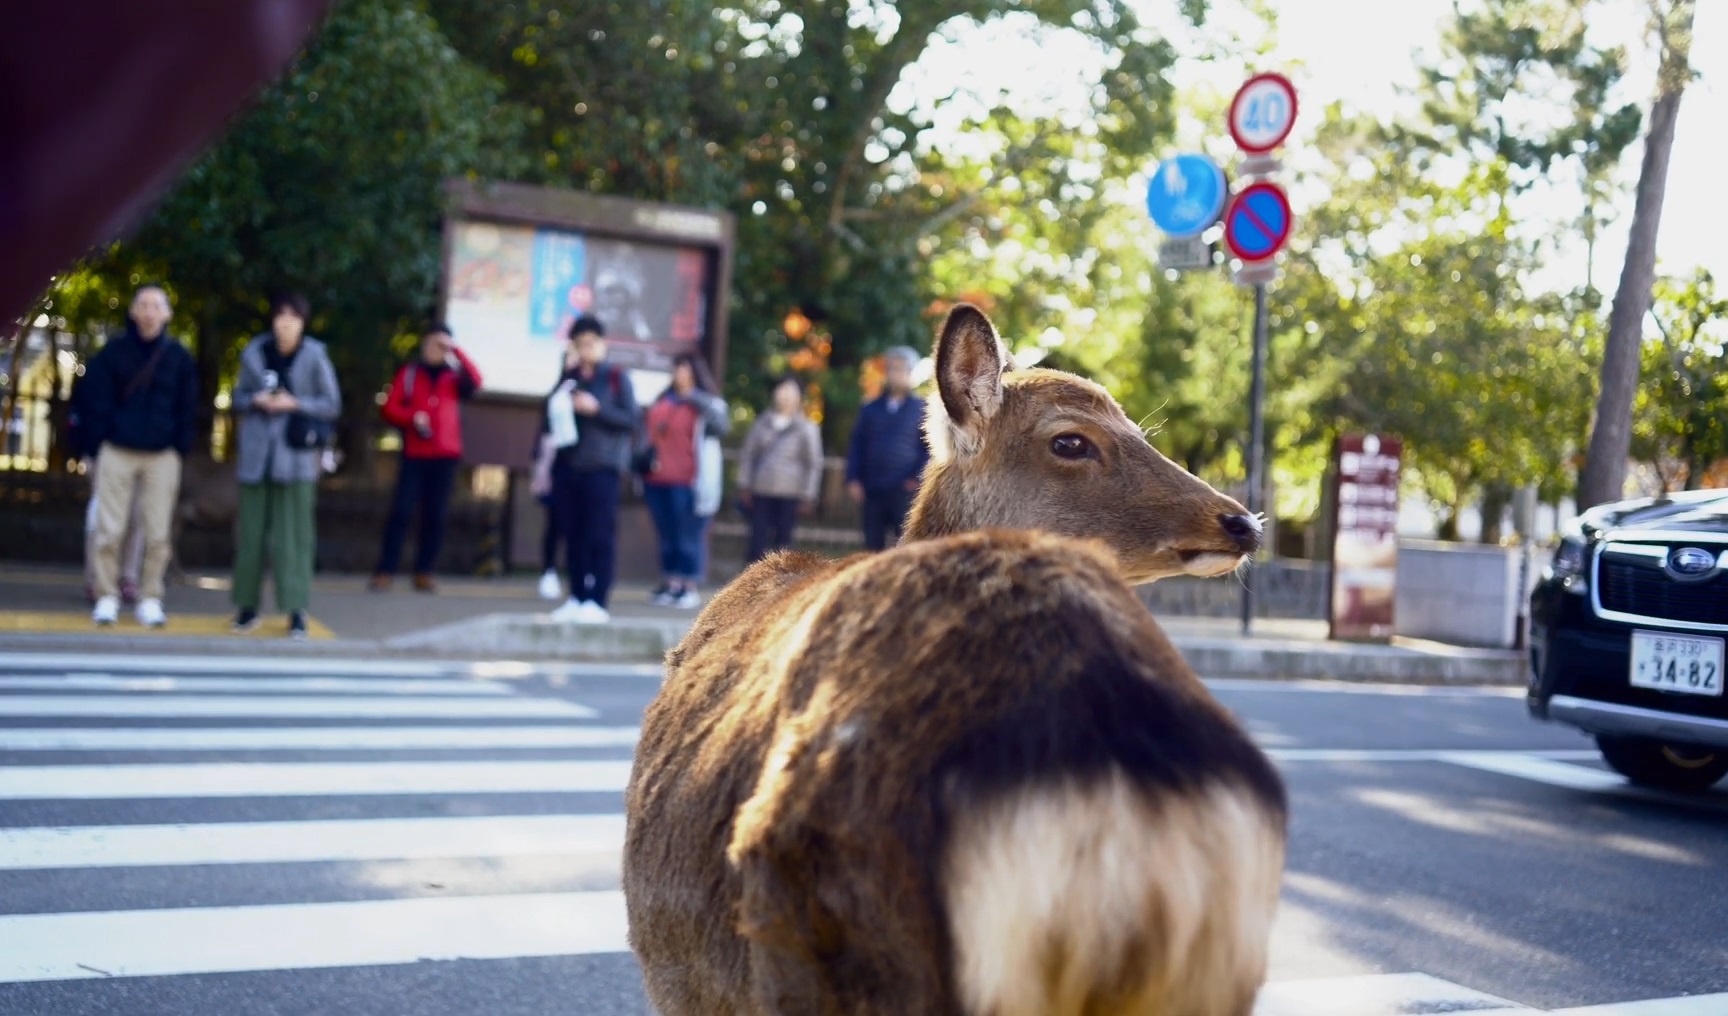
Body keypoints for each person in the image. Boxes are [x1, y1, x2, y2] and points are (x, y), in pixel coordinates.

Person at [78, 284, 199, 627]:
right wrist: (96, 444)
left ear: (167, 314)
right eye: (143, 305)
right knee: (108, 528)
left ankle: (150, 596)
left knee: (157, 531)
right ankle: (106, 595)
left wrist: (179, 446)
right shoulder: (113, 353)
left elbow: (188, 407)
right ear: (133, 311)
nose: (149, 312)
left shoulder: (179, 358)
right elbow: (95, 401)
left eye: (156, 305)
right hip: (117, 449)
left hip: (162, 454)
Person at [229, 293, 341, 639]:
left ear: (303, 322)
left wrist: (295, 403)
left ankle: (296, 609)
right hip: (256, 457)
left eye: (293, 317)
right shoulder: (254, 353)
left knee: (294, 538)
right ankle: (247, 607)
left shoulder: (315, 355)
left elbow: (331, 403)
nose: (285, 322)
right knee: (250, 535)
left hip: (296, 458)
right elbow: (237, 397)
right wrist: (255, 400)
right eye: (280, 315)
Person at [531, 316, 639, 623]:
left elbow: (631, 419)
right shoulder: (570, 378)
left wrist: (597, 409)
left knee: (600, 533)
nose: (586, 348)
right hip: (568, 464)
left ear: (603, 344)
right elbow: (549, 418)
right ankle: (576, 596)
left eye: (591, 342)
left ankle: (598, 600)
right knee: (573, 533)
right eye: (581, 343)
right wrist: (564, 379)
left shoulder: (617, 377)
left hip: (603, 466)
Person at [372, 322, 481, 592]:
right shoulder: (409, 373)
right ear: (424, 345)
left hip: (446, 455)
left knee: (436, 515)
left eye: (443, 345)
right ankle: (386, 569)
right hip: (415, 453)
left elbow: (477, 381)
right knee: (401, 511)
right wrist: (412, 418)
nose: (438, 350)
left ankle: (425, 571)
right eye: (434, 344)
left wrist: (455, 350)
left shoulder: (454, 377)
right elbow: (389, 407)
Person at [639, 353, 730, 608]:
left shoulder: (706, 404)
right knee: (666, 534)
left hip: (688, 480)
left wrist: (695, 398)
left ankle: (688, 584)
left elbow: (723, 425)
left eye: (684, 369)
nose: (679, 373)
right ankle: (670, 582)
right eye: (676, 368)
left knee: (687, 534)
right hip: (656, 478)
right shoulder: (662, 400)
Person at [68, 377, 146, 605]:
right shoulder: (102, 370)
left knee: (136, 514)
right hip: (104, 449)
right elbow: (83, 412)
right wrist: (88, 452)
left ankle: (128, 576)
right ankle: (95, 577)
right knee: (101, 515)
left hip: (142, 450)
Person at [844, 346, 929, 551]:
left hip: (904, 489)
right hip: (872, 487)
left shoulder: (921, 409)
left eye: (900, 369)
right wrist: (853, 478)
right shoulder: (870, 408)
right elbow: (857, 445)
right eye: (891, 369)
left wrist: (915, 478)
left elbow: (927, 448)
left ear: (910, 373)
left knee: (905, 544)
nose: (895, 374)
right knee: (872, 545)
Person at [736, 375, 824, 563]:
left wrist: (809, 494)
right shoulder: (762, 422)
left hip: (790, 492)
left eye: (790, 392)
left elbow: (813, 463)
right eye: (782, 390)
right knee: (756, 540)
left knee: (783, 542)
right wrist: (744, 484)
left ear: (799, 397)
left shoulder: (807, 427)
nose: (785, 396)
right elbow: (748, 454)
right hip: (761, 489)